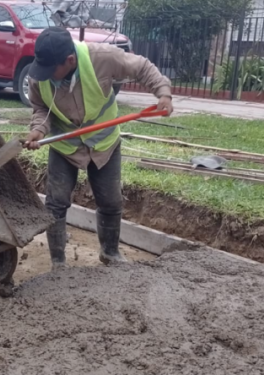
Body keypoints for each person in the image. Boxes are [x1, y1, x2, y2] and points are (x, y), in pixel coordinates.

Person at [24, 27, 173, 270]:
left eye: (51, 70)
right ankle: (58, 263)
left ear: (70, 60)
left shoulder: (103, 57)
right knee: (56, 203)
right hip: (65, 146)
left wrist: (163, 93)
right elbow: (41, 109)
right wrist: (39, 130)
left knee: (111, 201)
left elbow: (142, 67)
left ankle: (110, 253)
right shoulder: (39, 75)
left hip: (104, 142)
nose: (45, 76)